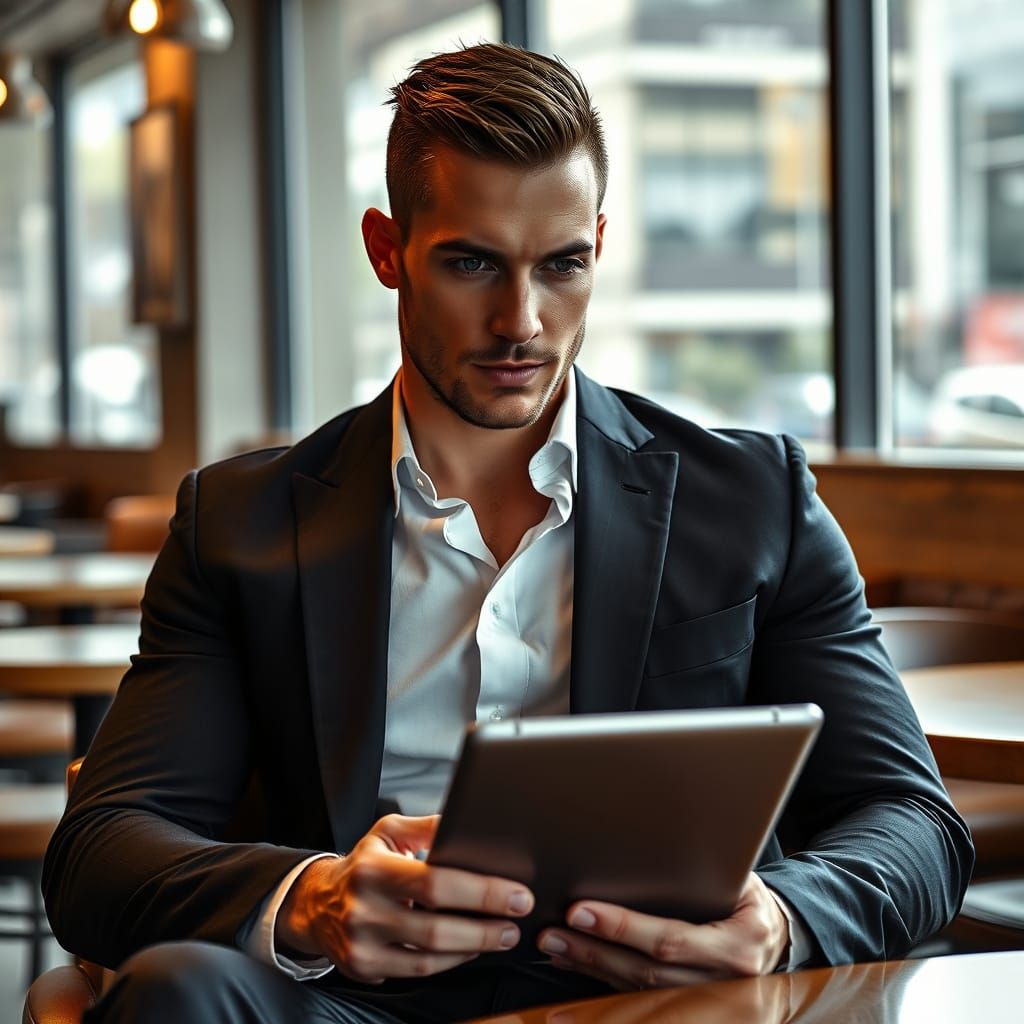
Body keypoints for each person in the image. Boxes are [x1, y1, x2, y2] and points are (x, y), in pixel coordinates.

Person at [43, 42, 973, 1024]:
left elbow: (915, 824)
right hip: (350, 1002)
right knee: (180, 993)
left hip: (652, 1005)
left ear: (600, 246)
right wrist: (309, 899)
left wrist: (782, 916)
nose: (520, 321)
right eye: (472, 261)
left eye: (561, 263)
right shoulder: (240, 523)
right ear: (386, 250)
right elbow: (101, 849)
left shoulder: (751, 499)